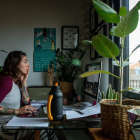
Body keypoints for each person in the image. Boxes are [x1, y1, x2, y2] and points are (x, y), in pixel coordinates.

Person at [0, 51, 57, 140]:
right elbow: (19, 109)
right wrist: (17, 111)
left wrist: (24, 82)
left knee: (49, 128)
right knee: (40, 130)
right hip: (4, 127)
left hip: (13, 122)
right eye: (25, 61)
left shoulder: (16, 82)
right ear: (15, 64)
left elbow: (26, 102)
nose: (28, 65)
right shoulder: (6, 81)